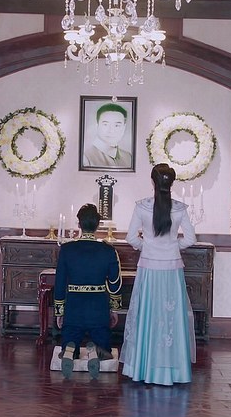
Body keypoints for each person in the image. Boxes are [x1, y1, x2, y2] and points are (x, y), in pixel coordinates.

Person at [120, 163, 197, 386]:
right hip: (172, 269)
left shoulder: (142, 207)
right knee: (171, 318)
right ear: (171, 183)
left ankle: (142, 368)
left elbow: (131, 238)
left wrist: (147, 247)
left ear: (152, 182)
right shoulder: (180, 209)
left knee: (148, 316)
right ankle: (174, 371)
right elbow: (190, 239)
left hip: (149, 267)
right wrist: (173, 247)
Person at [54, 204, 123, 379]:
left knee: (70, 336)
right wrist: (114, 309)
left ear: (79, 224)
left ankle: (70, 349)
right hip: (98, 308)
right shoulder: (108, 251)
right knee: (104, 344)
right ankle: (96, 351)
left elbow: (60, 282)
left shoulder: (67, 250)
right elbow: (115, 283)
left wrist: (59, 312)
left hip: (74, 308)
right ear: (98, 225)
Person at [82, 102, 132, 168]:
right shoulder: (86, 157)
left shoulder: (128, 157)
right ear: (97, 126)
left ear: (124, 128)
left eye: (117, 125)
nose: (111, 130)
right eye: (105, 124)